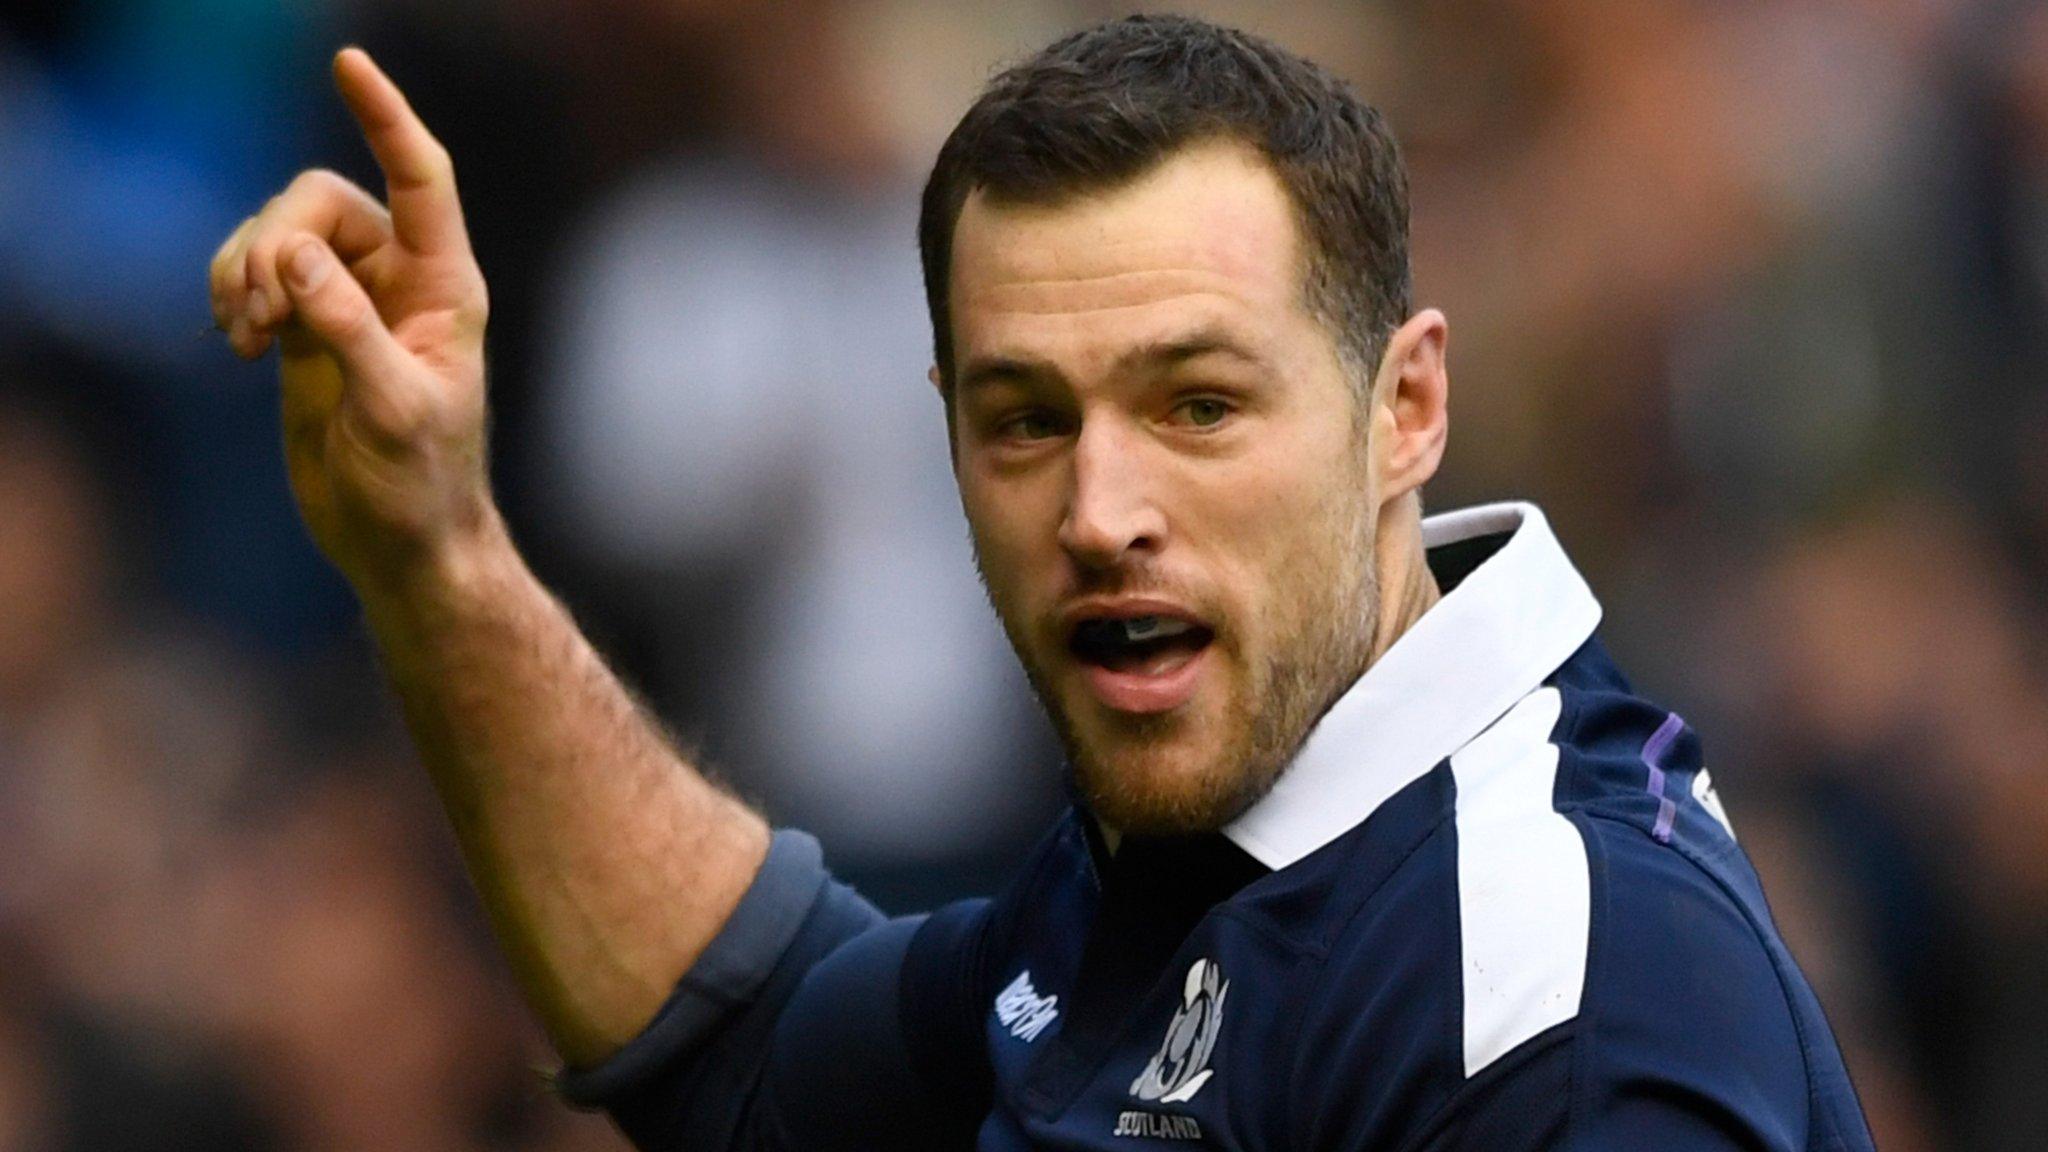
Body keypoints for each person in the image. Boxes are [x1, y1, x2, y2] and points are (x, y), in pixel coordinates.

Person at [206, 15, 1876, 1150]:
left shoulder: (1556, 995)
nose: (1098, 508)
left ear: (1407, 407)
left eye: (1197, 406)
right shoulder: (1208, 838)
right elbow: (759, 1052)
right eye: (1022, 422)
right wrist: (434, 551)